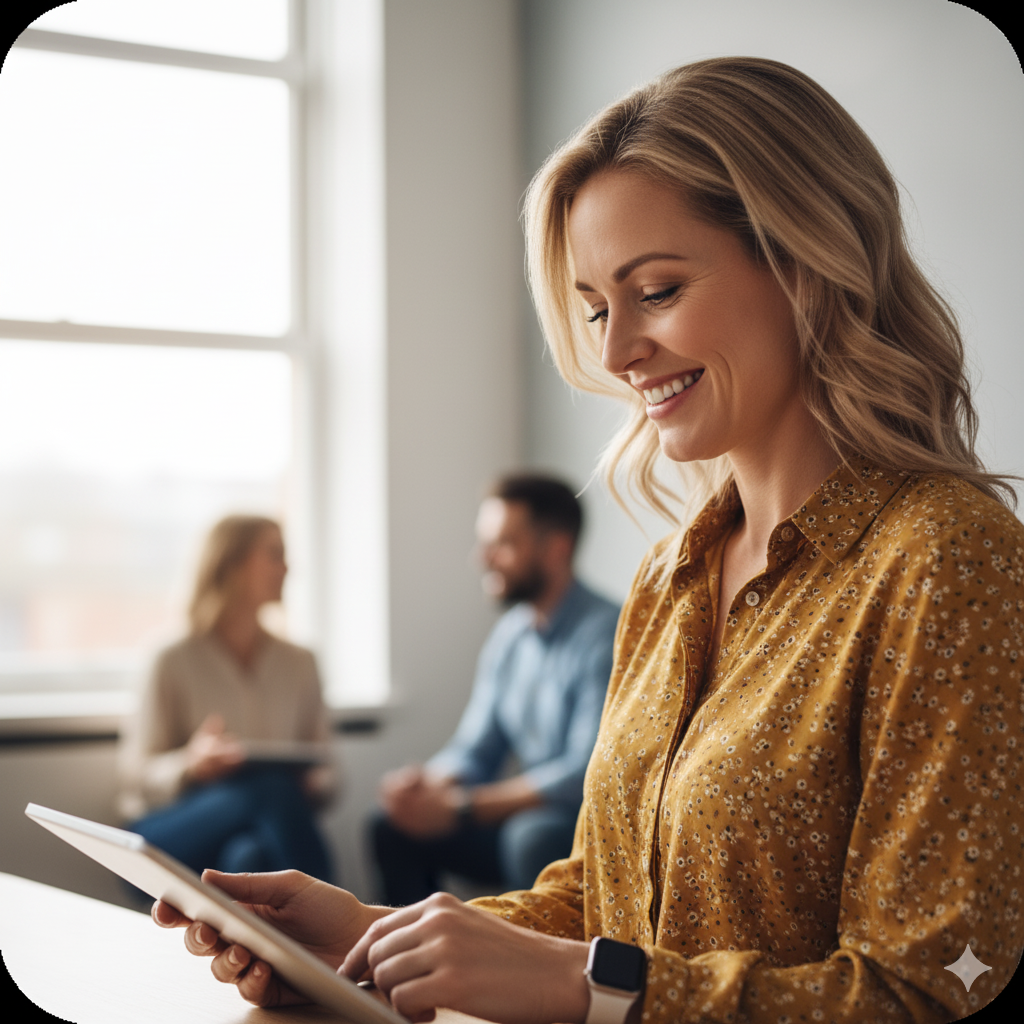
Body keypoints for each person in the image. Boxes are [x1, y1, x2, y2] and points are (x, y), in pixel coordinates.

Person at [153, 58, 1024, 1023]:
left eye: (657, 290)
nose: (614, 354)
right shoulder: (669, 577)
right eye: (599, 308)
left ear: (806, 264)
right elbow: (605, 900)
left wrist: (589, 989)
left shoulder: (948, 561)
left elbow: (940, 992)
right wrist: (370, 937)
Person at [372, 473, 620, 903]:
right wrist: (429, 783)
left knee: (531, 837)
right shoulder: (510, 637)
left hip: (583, 821)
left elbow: (585, 771)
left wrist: (465, 807)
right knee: (390, 827)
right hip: (519, 813)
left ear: (557, 549)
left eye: (502, 544)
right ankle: (419, 944)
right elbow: (477, 748)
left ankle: (529, 949)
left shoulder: (608, 634)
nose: (482, 558)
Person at [120, 515, 336, 883]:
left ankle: (299, 914)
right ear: (232, 564)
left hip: (262, 828)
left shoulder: (300, 662)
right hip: (172, 830)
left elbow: (330, 770)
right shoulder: (171, 658)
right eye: (275, 555)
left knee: (249, 853)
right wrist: (192, 764)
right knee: (268, 788)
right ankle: (332, 906)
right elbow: (136, 775)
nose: (287, 568)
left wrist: (314, 782)